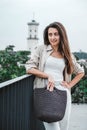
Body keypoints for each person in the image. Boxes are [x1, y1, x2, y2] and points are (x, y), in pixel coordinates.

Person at [25, 22, 84, 130]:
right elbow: (29, 68)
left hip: (63, 94)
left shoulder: (67, 53)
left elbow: (80, 72)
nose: (52, 37)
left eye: (56, 34)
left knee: (63, 128)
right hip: (45, 93)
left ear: (62, 35)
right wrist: (47, 76)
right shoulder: (41, 49)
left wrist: (69, 85)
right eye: (50, 34)